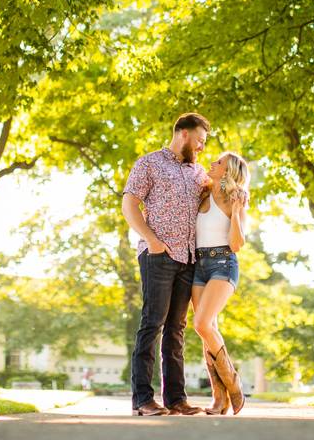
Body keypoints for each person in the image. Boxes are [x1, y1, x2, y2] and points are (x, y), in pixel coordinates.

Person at [122, 112, 211, 416]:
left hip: (188, 259)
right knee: (152, 324)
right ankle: (143, 399)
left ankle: (176, 399)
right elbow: (129, 204)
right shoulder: (149, 163)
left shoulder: (199, 174)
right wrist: (152, 240)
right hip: (158, 255)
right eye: (199, 140)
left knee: (176, 330)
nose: (201, 147)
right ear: (183, 133)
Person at [191, 151, 249, 415]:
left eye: (219, 163)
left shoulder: (234, 199)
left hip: (223, 264)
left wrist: (236, 212)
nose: (212, 163)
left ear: (228, 171)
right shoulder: (202, 193)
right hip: (198, 266)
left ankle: (233, 384)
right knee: (206, 331)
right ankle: (219, 399)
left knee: (202, 324)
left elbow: (236, 244)